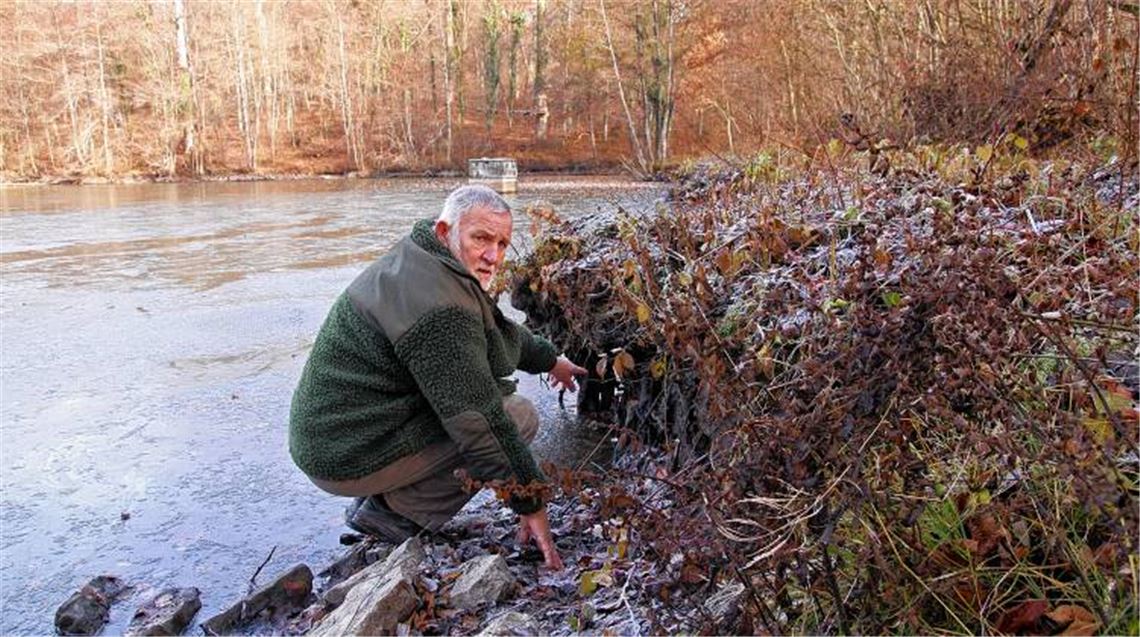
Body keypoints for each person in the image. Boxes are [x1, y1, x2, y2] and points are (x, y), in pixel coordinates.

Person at [289, 184, 585, 570]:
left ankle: (384, 497)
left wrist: (550, 361)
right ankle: (394, 514)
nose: (494, 256)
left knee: (479, 401)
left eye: (502, 243)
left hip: (337, 434)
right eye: (481, 238)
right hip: (342, 453)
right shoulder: (440, 310)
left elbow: (491, 331)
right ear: (446, 230)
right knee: (516, 415)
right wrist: (531, 503)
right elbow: (480, 424)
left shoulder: (426, 257)